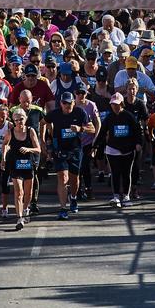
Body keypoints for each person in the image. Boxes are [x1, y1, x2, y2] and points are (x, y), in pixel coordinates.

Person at [44, 92, 94, 220]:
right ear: (61, 103)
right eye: (64, 103)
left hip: (75, 149)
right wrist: (44, 138)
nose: (67, 106)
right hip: (60, 150)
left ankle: (73, 197)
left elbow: (92, 129)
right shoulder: (55, 114)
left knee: (74, 178)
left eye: (69, 103)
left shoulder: (80, 113)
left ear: (74, 102)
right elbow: (43, 122)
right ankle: (63, 207)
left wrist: (80, 129)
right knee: (62, 177)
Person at [95, 93, 143, 208]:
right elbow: (102, 132)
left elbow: (137, 131)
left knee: (126, 173)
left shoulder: (129, 116)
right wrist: (95, 146)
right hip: (112, 149)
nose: (115, 106)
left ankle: (126, 196)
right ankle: (116, 196)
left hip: (128, 149)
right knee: (115, 173)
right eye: (113, 104)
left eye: (117, 104)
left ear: (121, 104)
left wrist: (138, 143)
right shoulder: (109, 118)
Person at [2, 107, 40, 229]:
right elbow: (4, 144)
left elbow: (38, 149)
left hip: (28, 164)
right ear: (13, 121)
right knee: (19, 192)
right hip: (15, 164)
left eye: (21, 119)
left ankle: (26, 209)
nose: (19, 122)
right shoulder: (10, 132)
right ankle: (19, 218)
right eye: (17, 120)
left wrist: (29, 149)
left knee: (28, 193)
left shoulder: (31, 131)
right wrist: (3, 158)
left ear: (26, 119)